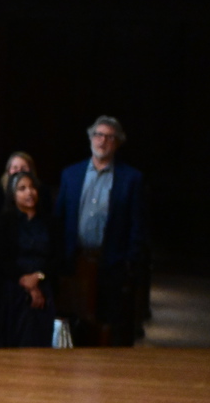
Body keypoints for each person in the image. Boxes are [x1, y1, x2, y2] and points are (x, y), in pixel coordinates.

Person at [53, 115, 148, 345]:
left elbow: (138, 225)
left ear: (117, 143)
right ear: (90, 138)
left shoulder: (132, 178)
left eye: (109, 137)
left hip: (111, 264)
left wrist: (129, 262)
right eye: (98, 135)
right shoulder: (71, 174)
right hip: (74, 263)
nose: (102, 141)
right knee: (76, 325)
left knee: (108, 327)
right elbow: (59, 219)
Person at [0, 172, 60, 347]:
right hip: (8, 290)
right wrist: (25, 281)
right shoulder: (1, 222)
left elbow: (57, 258)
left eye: (32, 187)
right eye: (22, 188)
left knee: (38, 348)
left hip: (43, 288)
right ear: (12, 194)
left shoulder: (50, 223)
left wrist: (38, 278)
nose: (29, 192)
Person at [0, 151, 43, 224]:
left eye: (24, 168)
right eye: (15, 167)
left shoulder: (41, 191)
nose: (19, 171)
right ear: (8, 171)